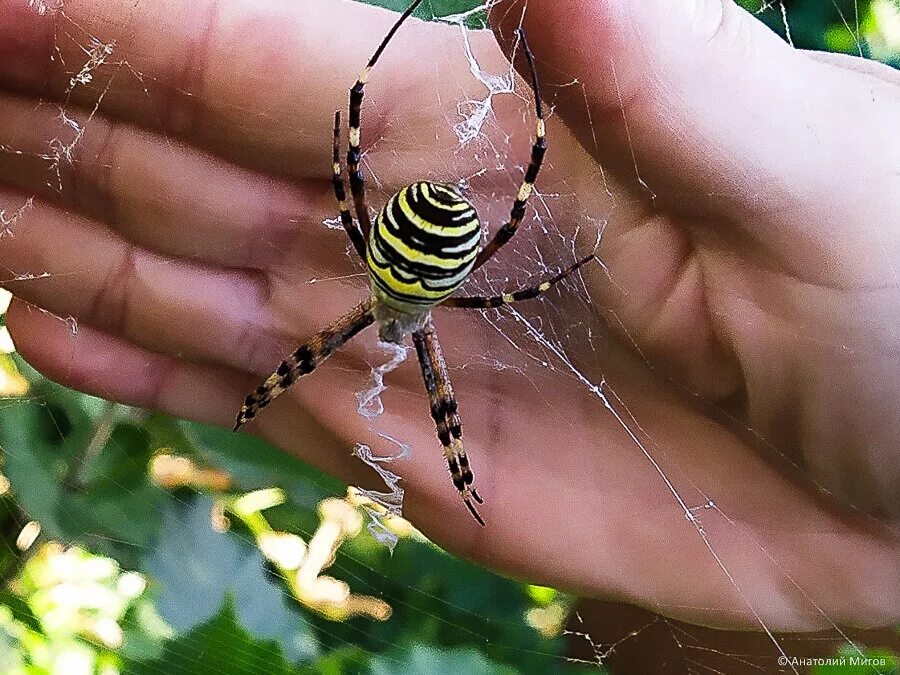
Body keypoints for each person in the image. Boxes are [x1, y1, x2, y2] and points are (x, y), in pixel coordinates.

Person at [1, 0, 897, 637]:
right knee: (395, 404)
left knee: (296, 367)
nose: (389, 351)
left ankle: (398, 465)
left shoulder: (368, 281)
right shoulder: (441, 303)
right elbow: (483, 263)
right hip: (422, 260)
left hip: (401, 259)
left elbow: (406, 215)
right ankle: (454, 480)